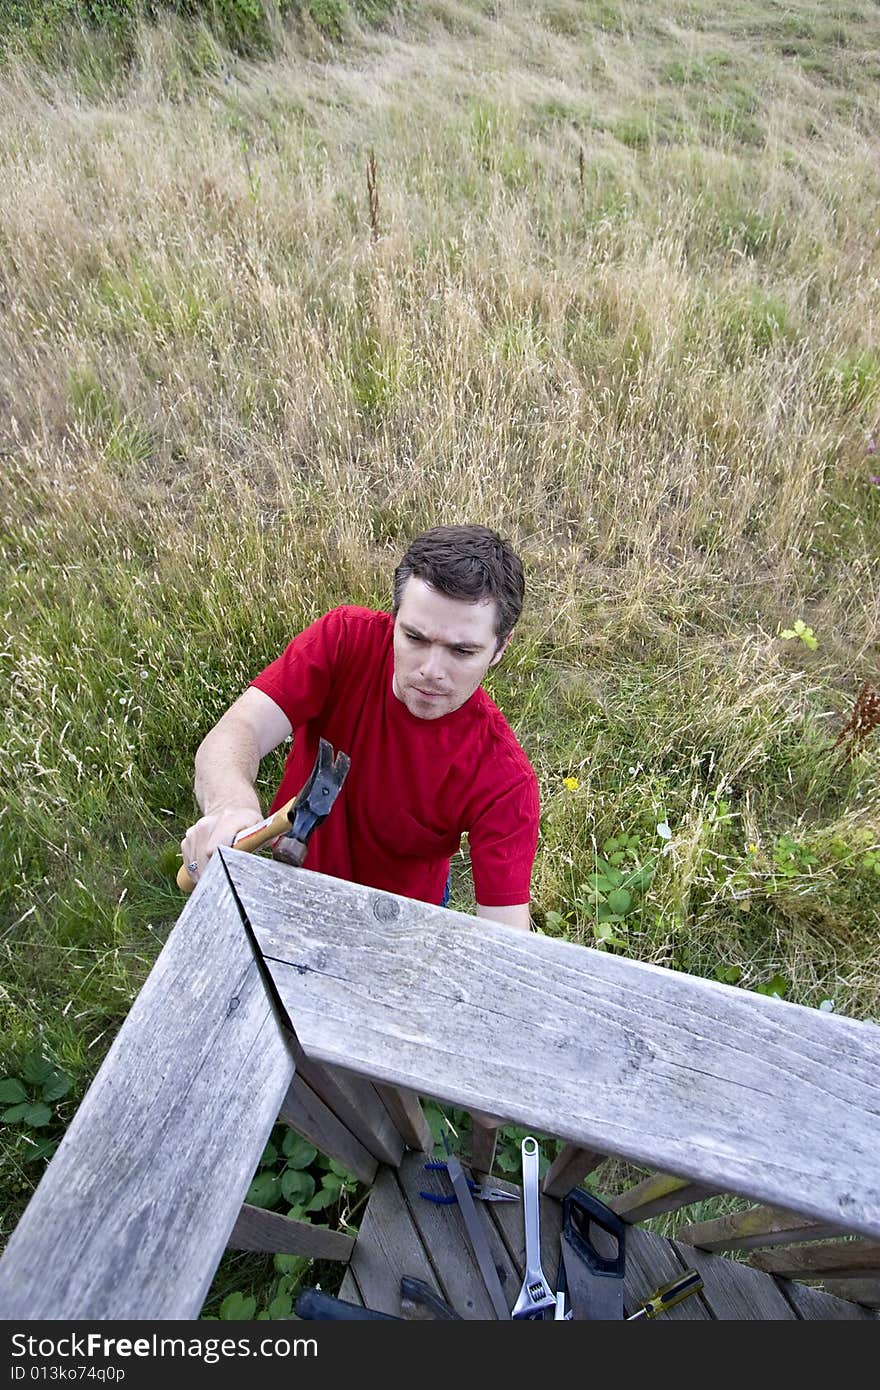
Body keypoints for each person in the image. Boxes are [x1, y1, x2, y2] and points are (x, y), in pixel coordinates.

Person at [180, 524, 539, 929]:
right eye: (415, 637)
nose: (431, 671)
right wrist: (230, 806)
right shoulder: (343, 641)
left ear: (500, 648)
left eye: (462, 650)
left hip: (395, 923)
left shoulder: (505, 779)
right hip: (287, 881)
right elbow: (238, 729)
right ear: (395, 618)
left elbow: (507, 935)